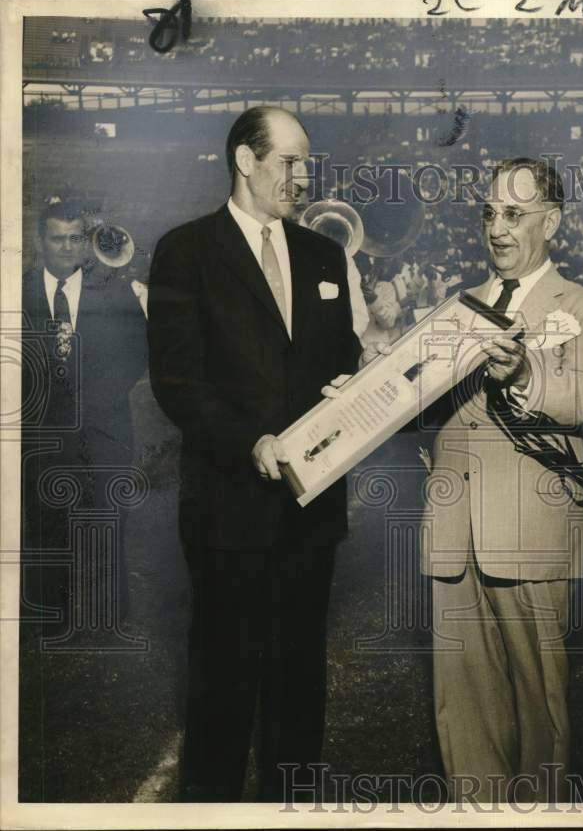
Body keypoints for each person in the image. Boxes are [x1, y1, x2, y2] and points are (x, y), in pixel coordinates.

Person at [146, 106, 361, 802]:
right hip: (226, 510)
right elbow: (176, 380)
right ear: (245, 159)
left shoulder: (326, 254)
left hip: (311, 507)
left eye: (307, 164)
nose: (302, 178)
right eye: (289, 162)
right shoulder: (186, 250)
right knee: (223, 683)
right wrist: (251, 443)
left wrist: (349, 386)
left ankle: (295, 808)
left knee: (299, 680)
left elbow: (344, 357)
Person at [421, 158, 583, 801]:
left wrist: (526, 378)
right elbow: (421, 408)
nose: (497, 229)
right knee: (464, 710)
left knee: (541, 707)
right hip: (453, 532)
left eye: (515, 214)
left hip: (531, 529)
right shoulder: (456, 308)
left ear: (551, 221)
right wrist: (364, 397)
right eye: (489, 214)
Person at [20, 199, 147, 628]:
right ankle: (47, 615)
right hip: (42, 432)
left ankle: (107, 613)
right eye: (57, 238)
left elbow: (136, 355)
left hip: (104, 427)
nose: (67, 248)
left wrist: (98, 398)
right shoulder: (15, 291)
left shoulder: (113, 291)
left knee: (108, 516)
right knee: (45, 521)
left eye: (76, 238)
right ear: (40, 242)